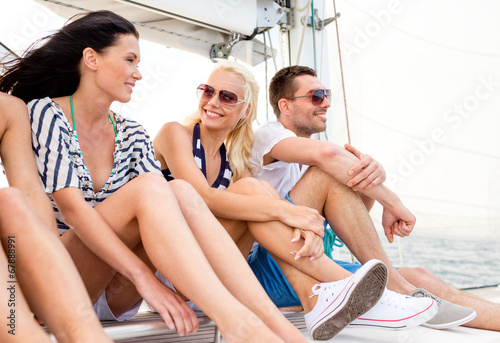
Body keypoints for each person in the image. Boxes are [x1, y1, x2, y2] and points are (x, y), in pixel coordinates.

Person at [1, 11, 308, 343]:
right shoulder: (47, 112)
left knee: (179, 190)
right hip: (65, 277)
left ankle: (272, 326)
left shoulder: (131, 132)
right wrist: (145, 278)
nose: (139, 74)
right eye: (130, 60)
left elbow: (169, 208)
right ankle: (237, 324)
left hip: (116, 290)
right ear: (91, 59)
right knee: (152, 186)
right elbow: (73, 209)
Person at [153, 60, 440, 340]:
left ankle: (323, 298)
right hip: (181, 269)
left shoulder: (235, 159)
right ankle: (348, 287)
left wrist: (299, 220)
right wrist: (287, 213)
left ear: (245, 111)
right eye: (207, 91)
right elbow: (203, 197)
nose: (213, 101)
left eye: (227, 97)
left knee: (256, 188)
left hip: (220, 266)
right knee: (256, 191)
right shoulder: (175, 133)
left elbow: (250, 211)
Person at [249, 64, 500, 331]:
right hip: (271, 265)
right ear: (285, 106)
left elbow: (350, 212)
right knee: (326, 173)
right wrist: (391, 201)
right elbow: (329, 157)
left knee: (419, 277)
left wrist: (373, 176)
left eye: (327, 94)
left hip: (312, 261)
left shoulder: (314, 155)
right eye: (316, 96)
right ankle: (394, 286)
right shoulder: (269, 135)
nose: (326, 103)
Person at [0, 92, 112, 342]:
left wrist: (46, 280)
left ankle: (84, 333)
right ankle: (21, 332)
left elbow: (30, 192)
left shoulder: (9, 109)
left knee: (11, 201)